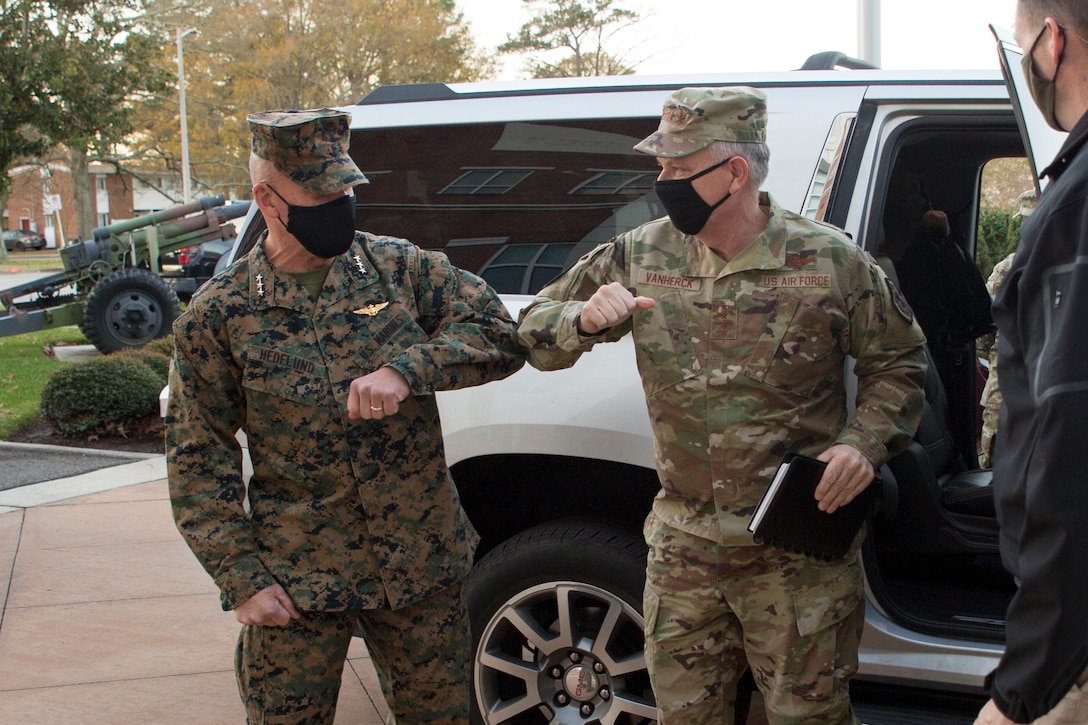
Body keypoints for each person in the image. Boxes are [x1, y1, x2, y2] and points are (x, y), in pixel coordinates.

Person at [517, 87, 928, 724]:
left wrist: (863, 443)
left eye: (678, 169)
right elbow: (536, 329)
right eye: (662, 168)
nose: (663, 182)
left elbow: (899, 364)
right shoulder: (639, 254)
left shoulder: (831, 261)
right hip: (685, 551)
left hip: (796, 557)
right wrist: (581, 318)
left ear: (734, 172)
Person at [165, 108, 524, 723]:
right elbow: (199, 459)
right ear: (267, 200)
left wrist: (407, 370)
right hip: (297, 579)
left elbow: (499, 333)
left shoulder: (400, 269)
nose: (340, 203)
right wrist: (242, 578)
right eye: (320, 193)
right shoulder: (219, 315)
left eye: (346, 189)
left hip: (420, 566)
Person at [974, 2, 1088, 723]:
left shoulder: (1077, 203)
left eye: (1022, 46)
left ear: (1052, 41)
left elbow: (1069, 452)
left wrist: (1025, 686)